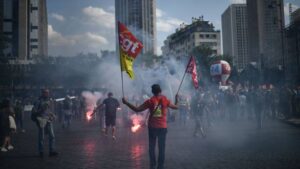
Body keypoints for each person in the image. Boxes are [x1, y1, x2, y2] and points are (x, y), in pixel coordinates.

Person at [122, 84, 179, 169]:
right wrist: (176, 99)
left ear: (152, 92)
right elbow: (176, 107)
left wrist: (126, 103)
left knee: (152, 147)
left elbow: (137, 109)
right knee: (161, 148)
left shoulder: (150, 101)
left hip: (152, 127)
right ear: (160, 91)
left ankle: (152, 165)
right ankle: (160, 166)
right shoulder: (165, 100)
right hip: (163, 127)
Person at [32, 89, 58, 158]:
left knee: (52, 136)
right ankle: (41, 151)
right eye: (46, 93)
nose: (47, 94)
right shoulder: (38, 101)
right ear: (42, 93)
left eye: (48, 92)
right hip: (41, 120)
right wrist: (42, 109)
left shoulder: (49, 100)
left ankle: (51, 151)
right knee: (41, 137)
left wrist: (53, 115)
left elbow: (49, 111)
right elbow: (35, 111)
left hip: (48, 120)